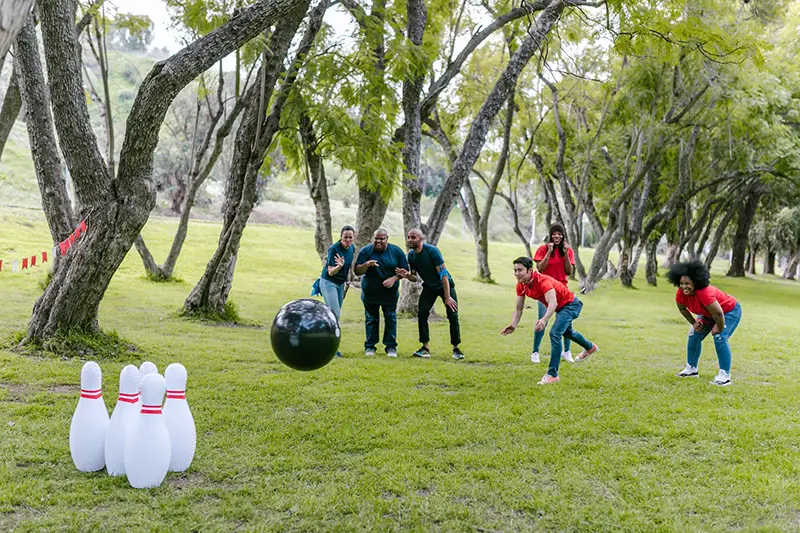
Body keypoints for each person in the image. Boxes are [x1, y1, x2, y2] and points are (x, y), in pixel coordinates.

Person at [501, 257, 598, 385]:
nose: (517, 274)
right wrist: (513, 324)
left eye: (520, 270)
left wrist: (544, 319)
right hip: (562, 307)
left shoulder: (542, 281)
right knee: (567, 333)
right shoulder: (521, 286)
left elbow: (553, 302)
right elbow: (519, 309)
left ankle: (553, 375)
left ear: (530, 270)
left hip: (571, 304)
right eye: (515, 270)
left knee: (555, 333)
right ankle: (590, 347)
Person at [666, 260, 742, 386]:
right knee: (694, 334)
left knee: (720, 337)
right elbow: (682, 309)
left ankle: (724, 375)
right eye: (681, 283)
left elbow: (718, 314)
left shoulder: (704, 293)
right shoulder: (680, 293)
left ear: (695, 282)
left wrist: (719, 327)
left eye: (687, 284)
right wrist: (694, 323)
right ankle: (691, 369)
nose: (684, 287)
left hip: (729, 311)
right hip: (708, 313)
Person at [395, 228, 465, 360]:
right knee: (422, 313)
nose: (410, 240)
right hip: (429, 287)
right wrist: (407, 275)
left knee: (452, 315)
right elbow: (415, 278)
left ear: (421, 239)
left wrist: (447, 297)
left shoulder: (432, 251)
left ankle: (456, 349)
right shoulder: (411, 255)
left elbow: (443, 275)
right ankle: (425, 348)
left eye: (413, 237)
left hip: (445, 285)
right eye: (409, 237)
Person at [354, 228, 409, 357]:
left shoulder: (396, 251)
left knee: (390, 318)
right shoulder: (366, 251)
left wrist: (394, 279)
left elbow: (405, 271)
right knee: (371, 319)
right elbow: (357, 271)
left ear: (387, 239)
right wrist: (366, 264)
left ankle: (391, 347)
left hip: (389, 294)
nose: (378, 241)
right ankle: (370, 347)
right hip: (370, 293)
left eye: (381, 239)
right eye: (376, 238)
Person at [531, 223, 576, 364]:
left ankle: (567, 351)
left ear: (563, 236)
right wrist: (549, 252)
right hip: (544, 289)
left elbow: (569, 271)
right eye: (554, 234)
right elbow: (540, 269)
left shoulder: (567, 250)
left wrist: (567, 254)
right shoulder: (543, 249)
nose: (557, 236)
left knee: (566, 322)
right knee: (542, 319)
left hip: (562, 290)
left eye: (560, 234)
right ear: (550, 235)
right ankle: (535, 352)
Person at [316, 225, 355, 357]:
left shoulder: (351, 249)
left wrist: (348, 282)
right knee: (334, 315)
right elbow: (331, 272)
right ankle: (329, 348)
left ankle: (328, 344)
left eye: (350, 237)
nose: (348, 240)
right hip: (328, 282)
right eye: (345, 237)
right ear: (341, 237)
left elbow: (349, 268)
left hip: (340, 284)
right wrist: (339, 266)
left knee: (334, 315)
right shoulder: (334, 249)